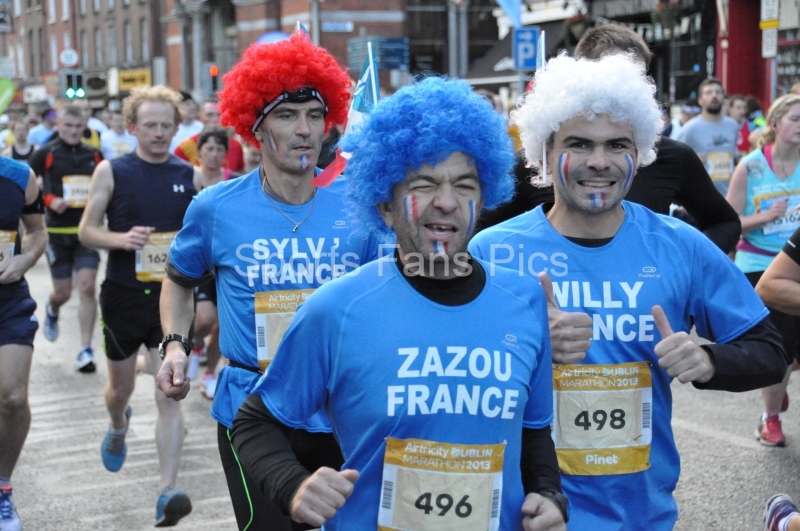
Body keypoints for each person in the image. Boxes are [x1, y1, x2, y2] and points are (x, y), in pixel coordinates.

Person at [232, 75, 567, 531]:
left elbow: (532, 431)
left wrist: (549, 495)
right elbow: (254, 422)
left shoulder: (524, 299)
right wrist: (292, 486)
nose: (446, 202)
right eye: (424, 184)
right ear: (385, 205)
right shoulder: (337, 309)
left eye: (465, 185)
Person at [469, 52, 788, 531]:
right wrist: (528, 346)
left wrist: (709, 361)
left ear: (637, 153)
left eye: (616, 144)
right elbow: (445, 382)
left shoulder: (680, 245)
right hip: (526, 513)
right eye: (579, 143)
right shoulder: (491, 250)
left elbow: (769, 352)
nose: (599, 162)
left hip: (639, 516)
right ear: (543, 153)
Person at [156, 32, 380, 531]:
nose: (304, 130)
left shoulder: (359, 206)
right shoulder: (216, 208)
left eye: (315, 115)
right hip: (253, 409)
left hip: (342, 407)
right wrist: (175, 346)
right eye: (286, 115)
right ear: (255, 128)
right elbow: (178, 279)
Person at [479, 24, 742, 255]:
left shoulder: (674, 157)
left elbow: (724, 222)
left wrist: (685, 268)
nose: (599, 162)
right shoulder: (540, 159)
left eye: (637, 79)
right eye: (615, 75)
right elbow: (481, 234)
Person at [78, 85, 202, 527]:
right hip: (123, 295)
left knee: (169, 392)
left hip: (172, 299)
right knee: (122, 390)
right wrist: (120, 239)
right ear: (132, 127)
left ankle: (167, 490)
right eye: (149, 125)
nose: (158, 133)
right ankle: (117, 424)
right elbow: (86, 232)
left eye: (165, 126)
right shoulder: (111, 171)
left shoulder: (189, 174)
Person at [725, 94, 800, 447]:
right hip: (758, 265)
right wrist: (766, 217)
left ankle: (778, 376)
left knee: (786, 356)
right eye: (795, 119)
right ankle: (770, 418)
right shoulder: (752, 166)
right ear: (774, 124)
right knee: (782, 339)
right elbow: (728, 222)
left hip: (796, 263)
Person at [29, 104, 102, 373]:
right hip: (57, 233)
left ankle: (85, 349)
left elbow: (106, 187)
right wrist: (49, 199)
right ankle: (53, 308)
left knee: (87, 288)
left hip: (86, 232)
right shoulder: (46, 153)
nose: (73, 131)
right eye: (68, 126)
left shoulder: (94, 155)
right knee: (63, 292)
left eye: (78, 126)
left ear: (85, 126)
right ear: (58, 125)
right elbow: (26, 185)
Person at [0, 159, 47, 531]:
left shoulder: (18, 175)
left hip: (7, 301)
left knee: (13, 399)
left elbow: (36, 232)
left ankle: (2, 489)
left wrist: (25, 258)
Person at [187, 125, 236, 399]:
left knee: (222, 325)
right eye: (209, 149)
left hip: (227, 263)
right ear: (200, 153)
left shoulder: (234, 181)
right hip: (202, 262)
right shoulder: (190, 180)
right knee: (204, 319)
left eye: (219, 149)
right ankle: (195, 345)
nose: (214, 154)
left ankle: (210, 374)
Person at [677, 78, 740, 196]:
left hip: (729, 194)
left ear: (723, 97)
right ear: (700, 100)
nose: (714, 96)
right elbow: (676, 161)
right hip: (701, 195)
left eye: (718, 92)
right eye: (709, 93)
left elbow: (734, 155)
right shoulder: (690, 128)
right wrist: (693, 161)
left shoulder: (733, 125)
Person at [173, 99, 244, 172]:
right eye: (209, 115)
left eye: (219, 115)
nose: (215, 119)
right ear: (199, 117)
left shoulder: (236, 146)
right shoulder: (184, 148)